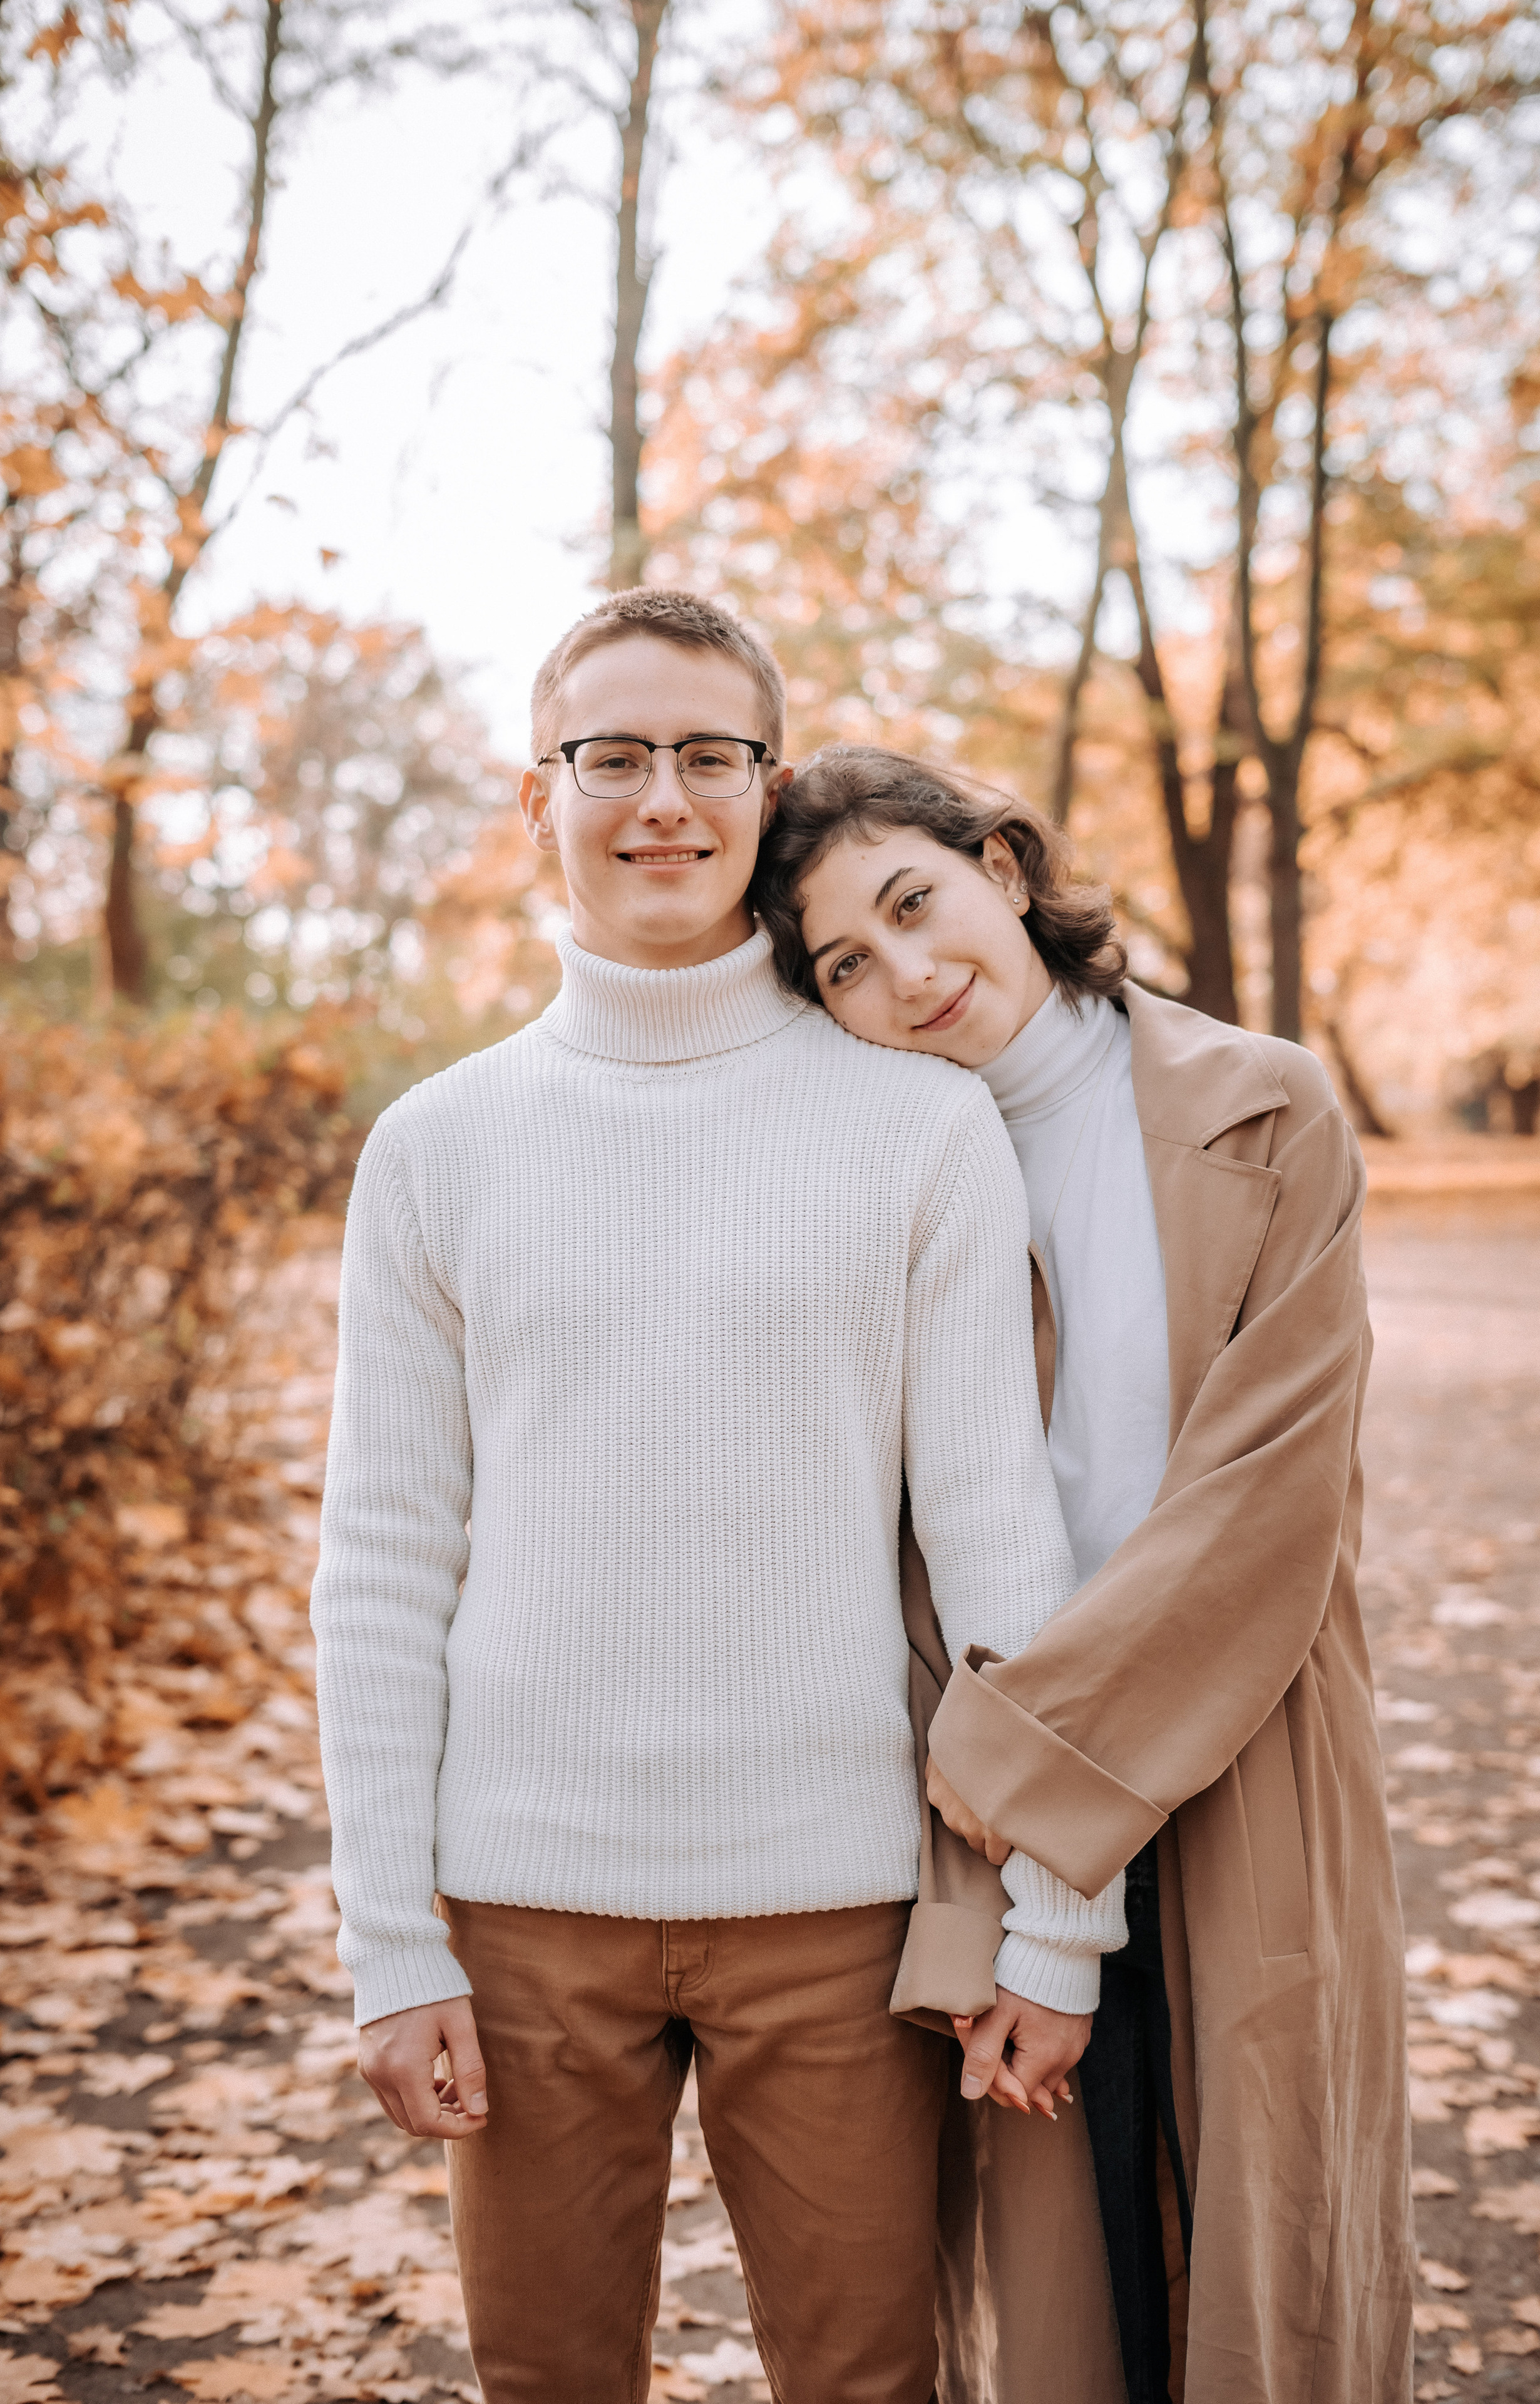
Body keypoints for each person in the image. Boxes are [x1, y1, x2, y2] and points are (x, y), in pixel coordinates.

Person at [310, 592, 1129, 2404]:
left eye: (708, 756)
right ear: (544, 800)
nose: (660, 800)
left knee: (867, 2384)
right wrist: (387, 1941)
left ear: (768, 792)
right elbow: (379, 1562)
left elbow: (1000, 1543)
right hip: (516, 1913)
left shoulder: (915, 1130)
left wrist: (1062, 1914)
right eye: (613, 756)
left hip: (837, 1913)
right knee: (548, 2383)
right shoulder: (438, 1148)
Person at [753, 744, 1414, 2404]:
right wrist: (1018, 1884)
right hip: (991, 1773)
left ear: (1007, 865)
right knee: (1067, 2271)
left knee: (1271, 2239)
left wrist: (1037, 1792)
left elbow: (1264, 1506)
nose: (907, 974)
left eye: (917, 904)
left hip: (1239, 1734)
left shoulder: (1269, 1107)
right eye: (844, 963)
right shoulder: (875, 1181)